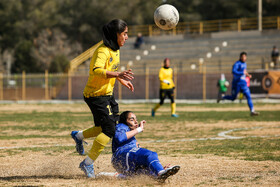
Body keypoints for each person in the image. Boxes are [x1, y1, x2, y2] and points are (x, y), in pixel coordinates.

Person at [70, 19, 135, 178]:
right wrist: (118, 74)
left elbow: (111, 69)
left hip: (107, 94)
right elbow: (97, 70)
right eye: (124, 33)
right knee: (109, 129)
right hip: (95, 95)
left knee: (103, 128)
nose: (127, 37)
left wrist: (120, 79)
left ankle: (78, 136)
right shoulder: (102, 51)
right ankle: (87, 164)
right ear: (115, 34)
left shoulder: (116, 49)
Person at [112, 111, 180, 183]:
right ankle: (160, 172)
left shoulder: (132, 139)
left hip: (123, 160)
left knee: (148, 172)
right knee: (150, 154)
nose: (135, 122)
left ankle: (160, 173)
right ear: (124, 121)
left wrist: (159, 168)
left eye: (136, 120)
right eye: (132, 120)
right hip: (121, 156)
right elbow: (120, 138)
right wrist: (139, 129)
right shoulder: (121, 126)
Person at [220, 52, 259, 116]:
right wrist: (241, 73)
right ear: (240, 57)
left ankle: (252, 111)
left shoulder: (245, 64)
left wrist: (248, 75)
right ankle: (222, 97)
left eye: (245, 57)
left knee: (248, 96)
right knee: (233, 98)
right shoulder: (237, 64)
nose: (244, 58)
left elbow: (244, 72)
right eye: (243, 57)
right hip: (237, 83)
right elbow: (234, 71)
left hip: (243, 83)